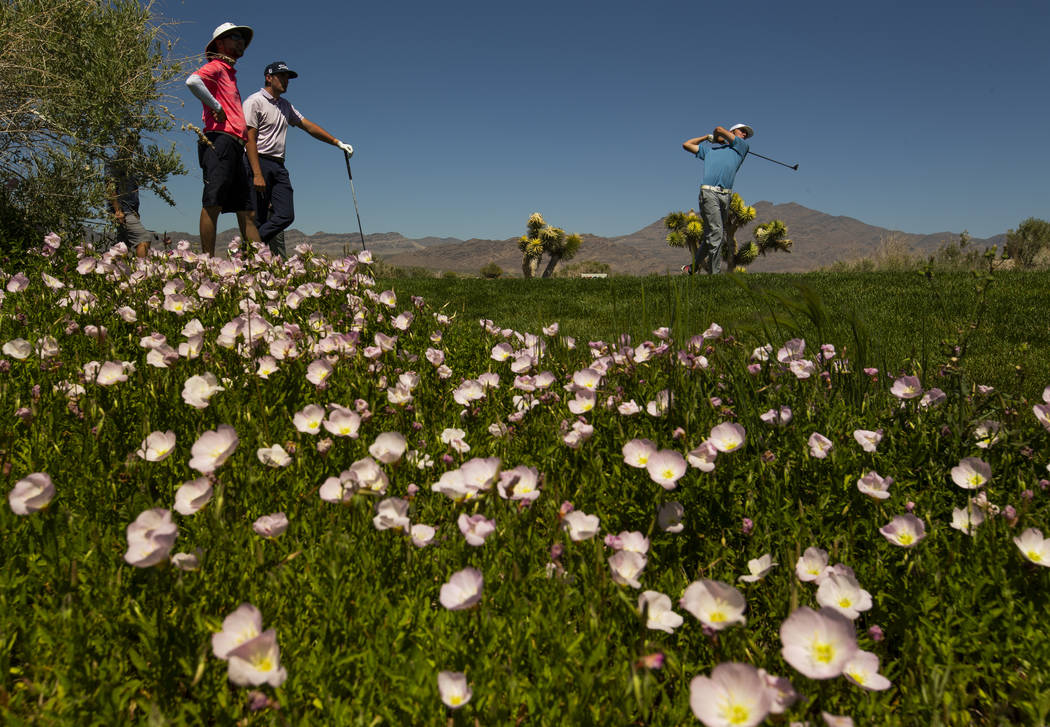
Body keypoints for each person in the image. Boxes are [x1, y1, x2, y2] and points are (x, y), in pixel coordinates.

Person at [242, 61, 355, 257]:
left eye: (288, 78)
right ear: (269, 77)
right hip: (258, 161)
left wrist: (337, 142)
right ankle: (253, 261)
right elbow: (249, 139)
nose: (286, 81)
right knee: (257, 217)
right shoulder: (254, 101)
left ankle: (250, 248)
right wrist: (257, 173)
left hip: (278, 165)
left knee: (286, 214)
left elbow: (308, 126)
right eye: (282, 76)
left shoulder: (286, 106)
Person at [185, 22, 261, 256]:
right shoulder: (216, 67)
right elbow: (192, 81)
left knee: (247, 211)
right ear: (220, 43)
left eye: (242, 38)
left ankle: (261, 267)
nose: (240, 41)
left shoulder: (229, 74)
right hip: (219, 140)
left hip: (236, 146)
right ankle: (206, 263)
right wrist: (216, 106)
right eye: (235, 36)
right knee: (213, 202)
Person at [681, 123, 753, 274]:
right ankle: (715, 276)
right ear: (732, 131)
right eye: (742, 131)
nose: (745, 135)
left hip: (726, 195)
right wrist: (707, 138)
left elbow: (719, 129)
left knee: (712, 235)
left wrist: (718, 137)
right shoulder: (709, 152)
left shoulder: (741, 148)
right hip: (709, 193)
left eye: (746, 134)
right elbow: (686, 144)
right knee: (717, 233)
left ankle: (692, 268)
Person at [105, 140, 151, 258]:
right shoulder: (114, 163)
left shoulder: (131, 166)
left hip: (129, 210)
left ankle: (115, 272)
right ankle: (142, 270)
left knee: (121, 247)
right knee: (144, 238)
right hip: (122, 210)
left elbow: (133, 191)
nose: (131, 150)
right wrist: (117, 210)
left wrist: (136, 211)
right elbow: (110, 187)